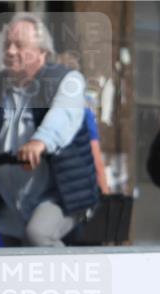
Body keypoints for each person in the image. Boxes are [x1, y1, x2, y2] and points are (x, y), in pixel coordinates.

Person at [0, 13, 98, 246]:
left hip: (58, 193)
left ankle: (70, 280)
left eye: (20, 45)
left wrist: (39, 142)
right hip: (6, 200)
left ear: (43, 52)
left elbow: (63, 116)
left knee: (38, 234)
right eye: (7, 45)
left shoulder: (67, 81)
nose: (10, 52)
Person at [57, 51, 110, 194]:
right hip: (73, 190)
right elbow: (96, 162)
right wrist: (106, 194)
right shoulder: (83, 114)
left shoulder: (39, 110)